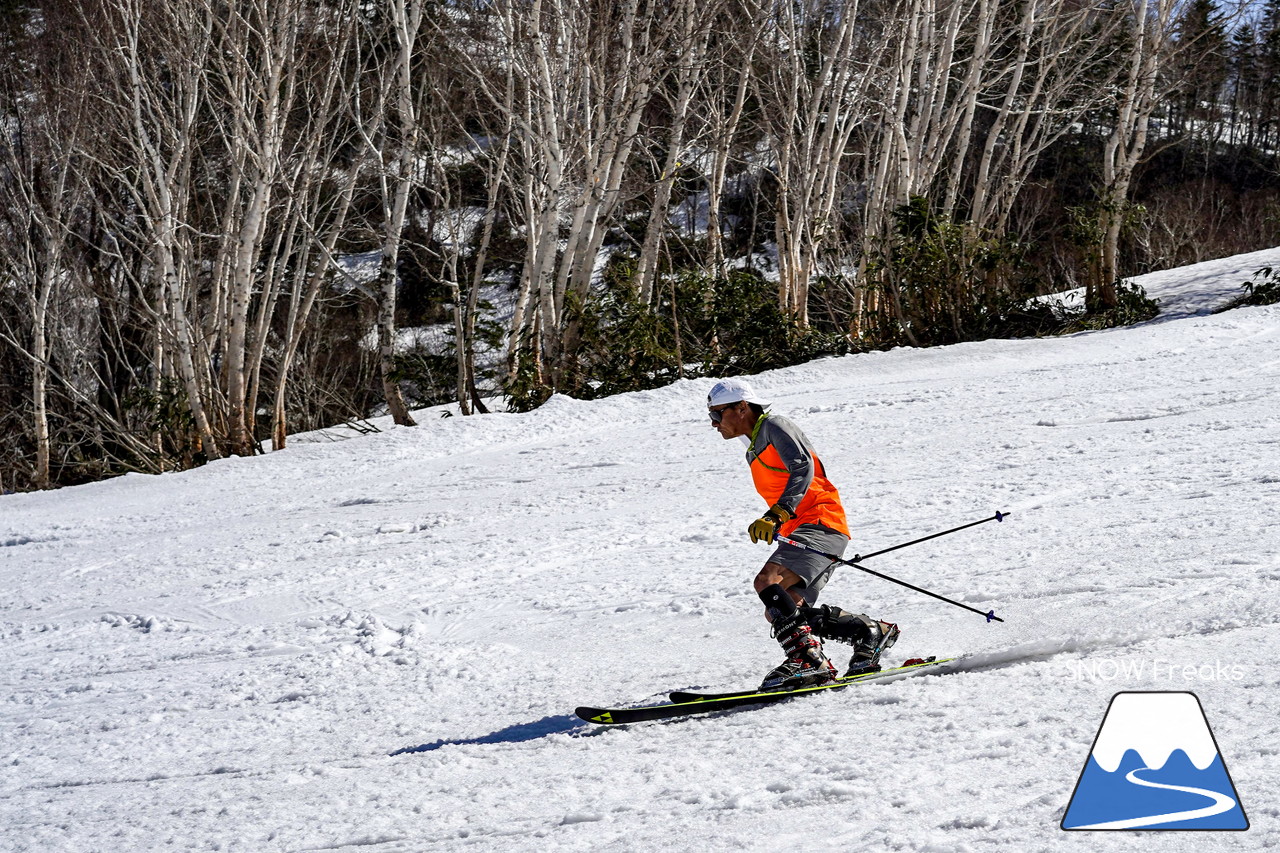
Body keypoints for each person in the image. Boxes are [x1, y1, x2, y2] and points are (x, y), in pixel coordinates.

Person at [707, 377, 899, 690]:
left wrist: (776, 514)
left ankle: (809, 663)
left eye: (717, 414)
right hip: (806, 528)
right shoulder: (754, 448)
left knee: (766, 582)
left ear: (742, 407)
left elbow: (802, 468)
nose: (714, 424)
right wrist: (780, 525)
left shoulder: (775, 426)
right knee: (784, 610)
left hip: (821, 521)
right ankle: (870, 632)